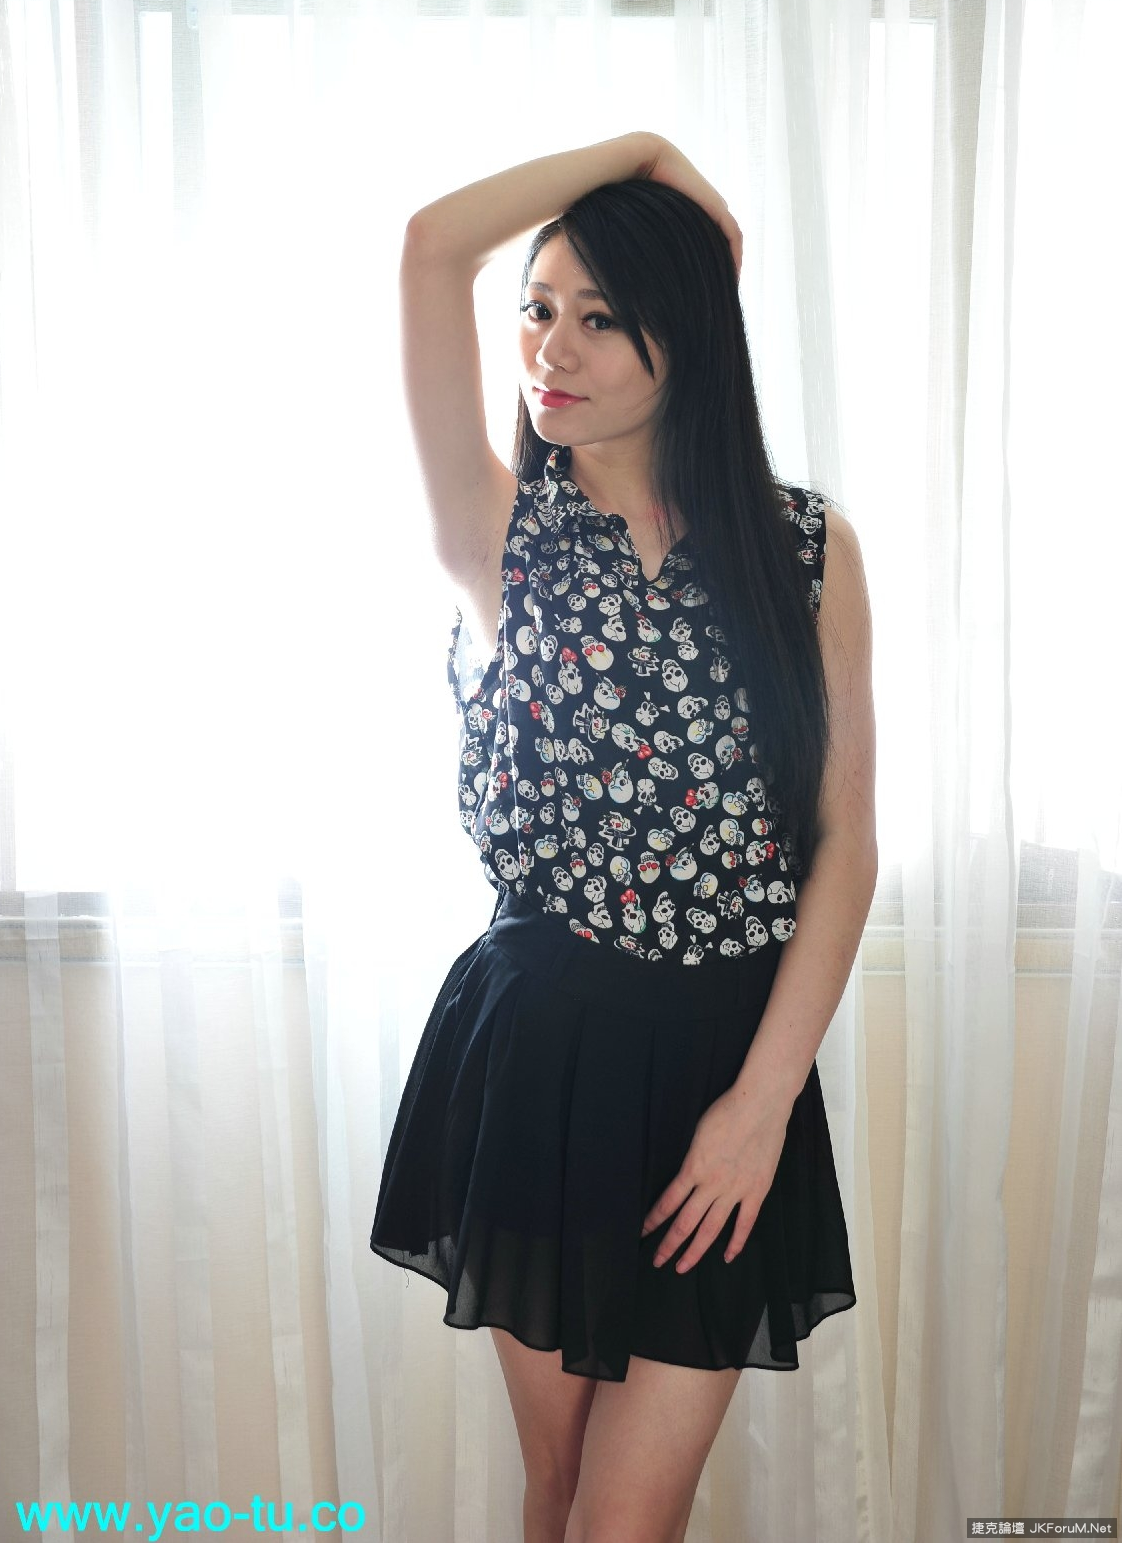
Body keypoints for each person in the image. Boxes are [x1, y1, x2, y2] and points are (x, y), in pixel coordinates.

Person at [370, 131, 877, 1543]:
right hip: (539, 1060)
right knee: (564, 1488)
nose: (554, 347)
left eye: (600, 316)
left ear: (686, 333)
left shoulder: (805, 551)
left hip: (730, 1064)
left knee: (630, 1512)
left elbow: (844, 843)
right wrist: (642, 152)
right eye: (540, 308)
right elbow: (430, 247)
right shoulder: (497, 533)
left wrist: (762, 1105)